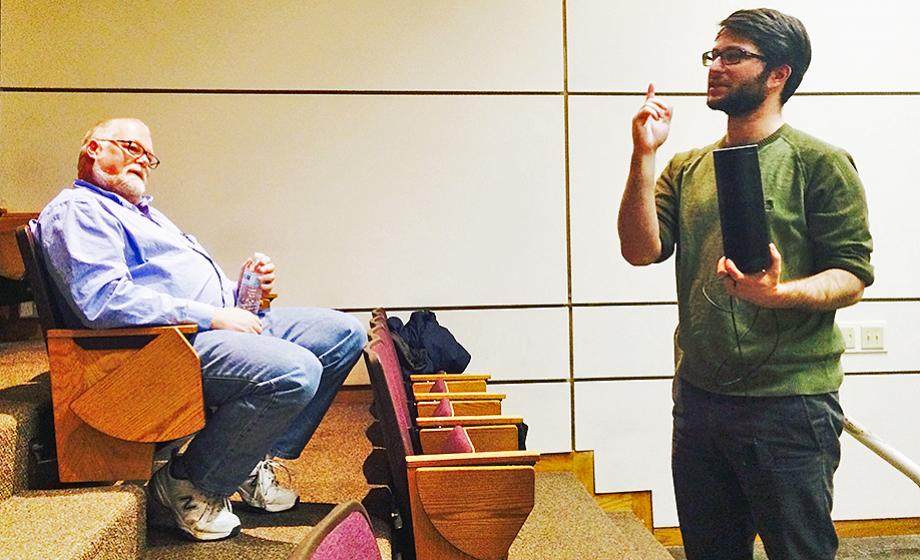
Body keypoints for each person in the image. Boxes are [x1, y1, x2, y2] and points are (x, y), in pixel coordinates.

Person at [618, 9, 873, 560]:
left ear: (778, 73)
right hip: (700, 399)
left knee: (798, 551)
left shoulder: (820, 163)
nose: (716, 67)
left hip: (790, 404)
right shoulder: (686, 167)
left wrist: (778, 296)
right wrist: (644, 155)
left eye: (733, 56)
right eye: (713, 55)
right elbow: (640, 251)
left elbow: (852, 275)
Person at [36, 117, 366, 542]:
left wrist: (243, 289)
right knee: (294, 371)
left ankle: (245, 458)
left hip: (202, 329)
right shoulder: (80, 209)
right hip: (154, 351)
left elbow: (179, 286)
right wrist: (213, 317)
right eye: (131, 148)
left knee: (343, 334)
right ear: (93, 149)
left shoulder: (145, 214)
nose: (143, 161)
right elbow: (104, 301)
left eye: (149, 156)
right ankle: (190, 484)